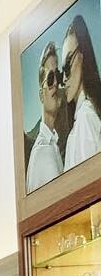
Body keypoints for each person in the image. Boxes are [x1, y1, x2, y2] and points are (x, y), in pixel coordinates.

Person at [26, 42, 69, 190]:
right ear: (41, 95)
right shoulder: (43, 151)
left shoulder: (52, 144)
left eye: (58, 76)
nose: (56, 83)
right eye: (50, 79)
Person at [63, 15, 101, 172]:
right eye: (61, 71)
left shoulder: (85, 118)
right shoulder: (80, 122)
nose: (64, 79)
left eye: (68, 64)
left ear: (82, 55)